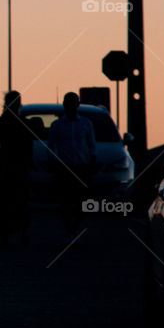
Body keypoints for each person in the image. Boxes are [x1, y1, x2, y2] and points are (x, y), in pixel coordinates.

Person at [46, 92, 97, 240]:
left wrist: (91, 165)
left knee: (83, 201)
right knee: (66, 201)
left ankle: (75, 226)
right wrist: (55, 164)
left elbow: (91, 146)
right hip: (65, 168)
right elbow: (51, 147)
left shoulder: (86, 124)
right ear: (64, 105)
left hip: (82, 167)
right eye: (68, 103)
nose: (70, 106)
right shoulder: (57, 125)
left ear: (77, 105)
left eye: (73, 103)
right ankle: (69, 228)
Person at [0, 90, 34, 246]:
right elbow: (29, 145)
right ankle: (22, 234)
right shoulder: (23, 122)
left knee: (4, 201)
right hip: (17, 165)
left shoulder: (0, 121)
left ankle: (7, 234)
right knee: (20, 201)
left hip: (7, 164)